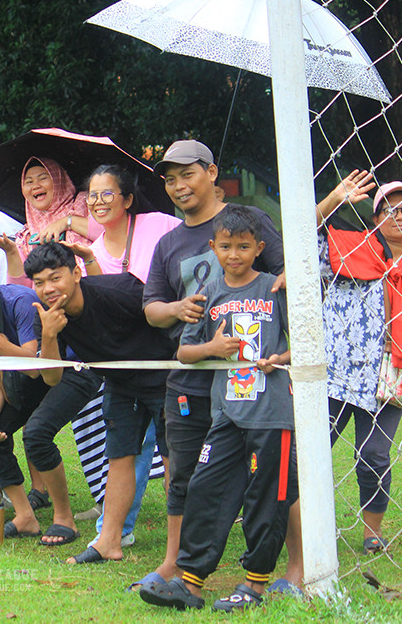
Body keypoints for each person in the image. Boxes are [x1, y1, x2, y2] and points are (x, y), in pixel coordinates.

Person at [140, 139, 299, 592]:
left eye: (187, 174)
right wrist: (180, 311)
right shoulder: (172, 246)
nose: (178, 185)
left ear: (212, 172)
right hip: (201, 389)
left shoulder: (253, 229)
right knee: (194, 479)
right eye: (169, 179)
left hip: (265, 399)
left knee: (273, 485)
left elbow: (293, 281)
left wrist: (281, 355)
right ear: (214, 247)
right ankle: (181, 573)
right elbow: (152, 310)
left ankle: (286, 572)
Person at [316, 174, 402, 553]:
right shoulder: (346, 248)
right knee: (313, 446)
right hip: (338, 373)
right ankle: (298, 520)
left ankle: (372, 529)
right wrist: (333, 200)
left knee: (373, 453)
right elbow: (301, 244)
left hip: (391, 374)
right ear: (374, 218)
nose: (399, 215)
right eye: (389, 208)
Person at [23, 243, 174, 557]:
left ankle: (182, 545)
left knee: (176, 460)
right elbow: (52, 378)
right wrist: (49, 335)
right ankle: (109, 541)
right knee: (119, 458)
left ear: (77, 273)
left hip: (165, 377)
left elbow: (166, 320)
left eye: (55, 278)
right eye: (39, 283)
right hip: (119, 384)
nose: (48, 289)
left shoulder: (117, 290)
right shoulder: (46, 317)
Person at [0, 253, 100, 545]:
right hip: (31, 378)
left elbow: (32, 364)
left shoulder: (19, 301)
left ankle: (64, 519)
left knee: (37, 434)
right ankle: (24, 515)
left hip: (72, 369)